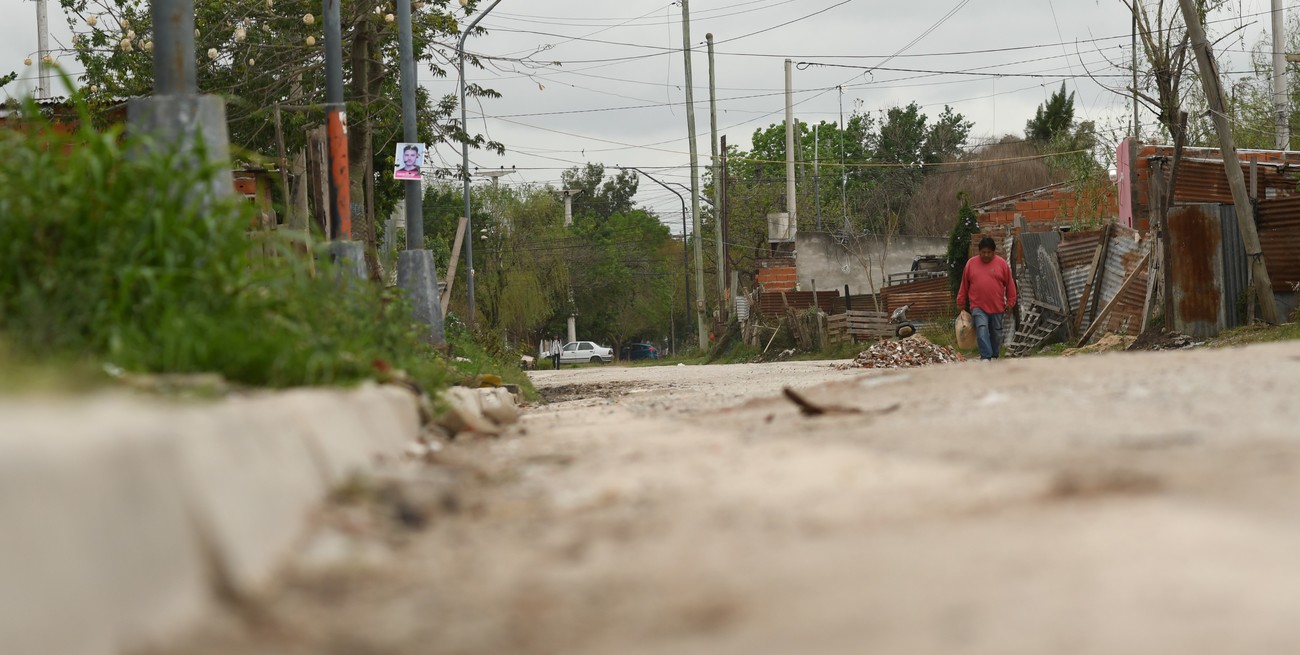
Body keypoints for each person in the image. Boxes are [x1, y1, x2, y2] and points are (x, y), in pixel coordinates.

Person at [956, 236, 1017, 361]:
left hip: (997, 306)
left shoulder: (1002, 264)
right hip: (978, 306)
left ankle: (994, 355)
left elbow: (1010, 284)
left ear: (994, 252)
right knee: (981, 329)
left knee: (996, 333)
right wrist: (961, 301)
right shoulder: (971, 264)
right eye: (983, 252)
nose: (986, 255)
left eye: (989, 252)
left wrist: (1011, 302)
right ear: (979, 252)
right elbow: (964, 285)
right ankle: (985, 357)